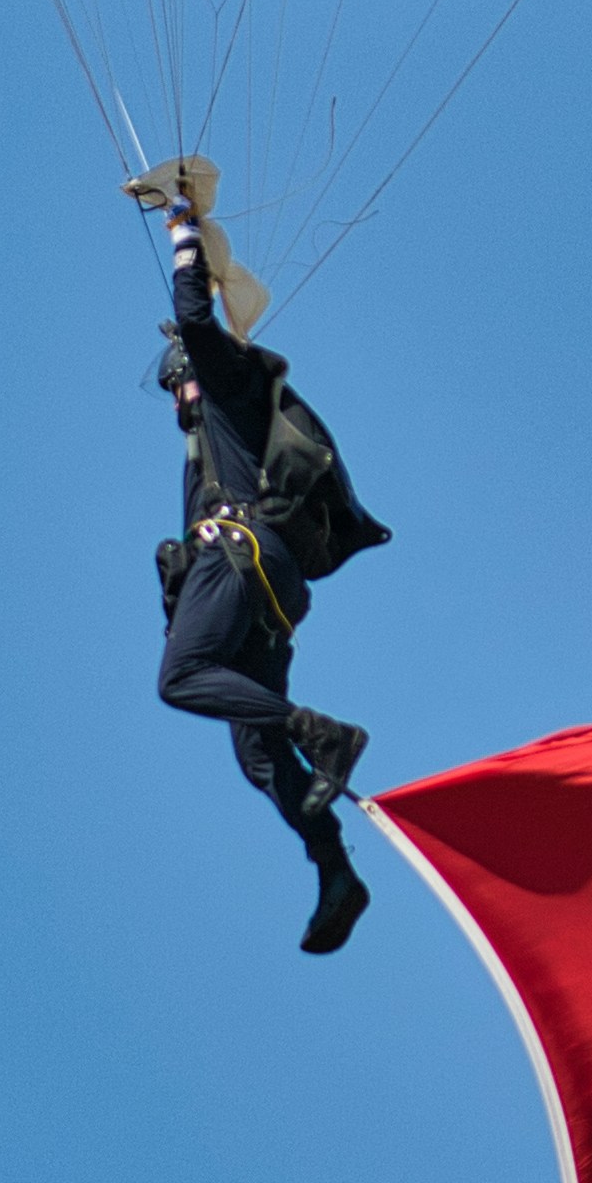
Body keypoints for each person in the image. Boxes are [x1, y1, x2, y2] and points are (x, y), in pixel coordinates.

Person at [150, 190, 374, 954]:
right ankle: (335, 868)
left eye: (174, 379)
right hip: (267, 594)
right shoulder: (209, 446)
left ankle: (324, 732)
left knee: (182, 676)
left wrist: (184, 234)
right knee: (257, 752)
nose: (175, 396)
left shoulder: (227, 382)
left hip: (242, 558)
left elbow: (194, 322)